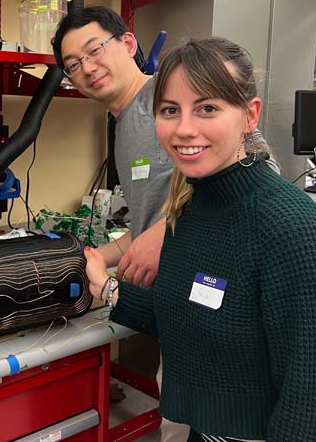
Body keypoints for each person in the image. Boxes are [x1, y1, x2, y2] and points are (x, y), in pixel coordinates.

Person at [52, 6, 276, 442]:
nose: (87, 68)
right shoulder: (125, 123)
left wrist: (170, 230)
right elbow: (152, 216)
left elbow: (260, 165)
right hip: (179, 306)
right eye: (72, 64)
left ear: (129, 44)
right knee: (177, 412)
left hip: (215, 308)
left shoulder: (167, 97)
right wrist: (100, 254)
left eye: (94, 50)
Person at [86, 37, 316, 441]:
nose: (184, 129)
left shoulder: (290, 225)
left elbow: (307, 394)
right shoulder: (190, 207)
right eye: (170, 110)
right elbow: (185, 313)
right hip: (203, 431)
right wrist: (106, 288)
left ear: (250, 115)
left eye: (208, 108)